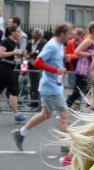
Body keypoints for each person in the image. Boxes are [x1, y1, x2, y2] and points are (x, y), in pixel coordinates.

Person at [11, 21, 73, 152]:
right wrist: (55, 70)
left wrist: (65, 59)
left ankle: (21, 133)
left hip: (53, 85)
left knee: (46, 114)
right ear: (62, 34)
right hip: (51, 87)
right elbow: (37, 62)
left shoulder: (59, 44)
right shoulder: (52, 45)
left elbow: (54, 61)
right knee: (64, 113)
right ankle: (65, 146)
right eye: (69, 34)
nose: (70, 36)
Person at [66, 22, 94, 108]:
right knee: (80, 92)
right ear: (93, 30)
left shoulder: (93, 40)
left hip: (88, 70)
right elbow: (76, 51)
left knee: (83, 91)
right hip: (82, 70)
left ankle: (68, 107)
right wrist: (90, 54)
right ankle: (66, 107)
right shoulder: (88, 40)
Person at [0, 26, 27, 122]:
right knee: (14, 89)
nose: (20, 34)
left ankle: (17, 114)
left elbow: (14, 54)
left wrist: (20, 54)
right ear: (12, 32)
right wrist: (13, 52)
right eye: (18, 32)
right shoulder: (6, 41)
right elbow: (1, 54)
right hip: (4, 67)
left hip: (10, 67)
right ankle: (17, 114)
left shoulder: (16, 42)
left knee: (11, 89)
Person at [26, 27, 47, 108]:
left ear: (39, 35)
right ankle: (33, 101)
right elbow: (27, 51)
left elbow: (39, 52)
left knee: (38, 84)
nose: (32, 34)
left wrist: (30, 54)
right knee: (32, 84)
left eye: (34, 33)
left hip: (39, 66)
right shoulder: (30, 41)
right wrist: (30, 54)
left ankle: (38, 102)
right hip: (31, 65)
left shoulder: (43, 42)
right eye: (32, 32)